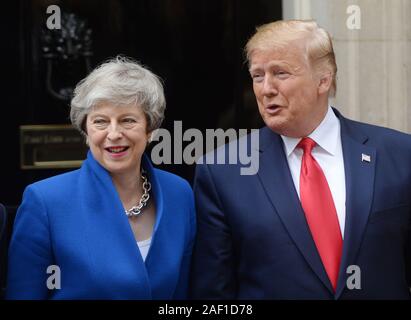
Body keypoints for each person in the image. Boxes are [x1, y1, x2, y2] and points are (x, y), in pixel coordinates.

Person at [190, 20, 411, 299]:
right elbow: (213, 294)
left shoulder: (400, 155)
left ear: (323, 79)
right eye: (258, 76)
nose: (265, 88)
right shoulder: (223, 171)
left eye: (280, 73)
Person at [7, 56, 196, 299]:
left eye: (128, 120)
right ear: (86, 131)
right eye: (100, 122)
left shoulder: (179, 194)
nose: (114, 134)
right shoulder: (45, 201)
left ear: (150, 130)